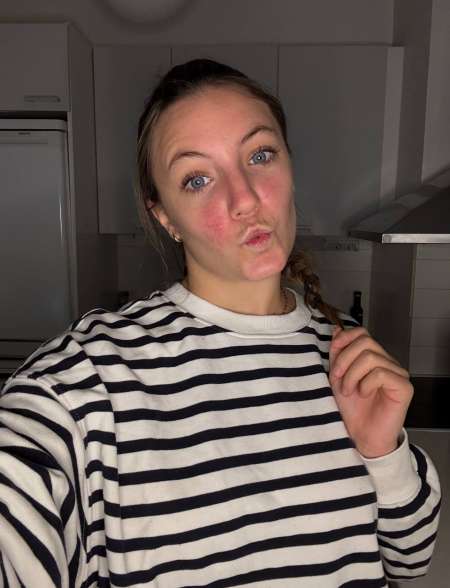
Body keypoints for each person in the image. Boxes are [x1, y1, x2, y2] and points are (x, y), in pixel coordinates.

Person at [0, 59, 440, 587]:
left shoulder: (345, 349)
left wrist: (384, 453)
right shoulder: (89, 380)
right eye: (198, 179)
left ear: (290, 164)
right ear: (165, 216)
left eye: (260, 155)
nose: (245, 199)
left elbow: (411, 558)